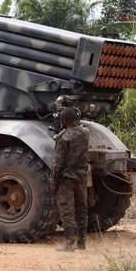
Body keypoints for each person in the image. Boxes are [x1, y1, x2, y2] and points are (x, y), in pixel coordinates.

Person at [49, 107, 89, 251]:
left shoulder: (64, 136)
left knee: (67, 210)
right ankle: (82, 242)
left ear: (65, 120)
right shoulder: (85, 132)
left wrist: (53, 182)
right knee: (81, 210)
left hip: (67, 178)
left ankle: (69, 242)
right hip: (82, 177)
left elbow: (57, 162)